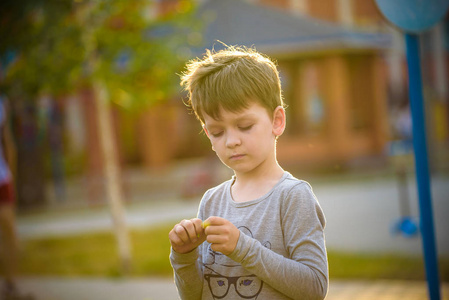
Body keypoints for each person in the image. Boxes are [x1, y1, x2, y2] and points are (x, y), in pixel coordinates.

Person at [169, 46, 328, 300]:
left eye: (244, 126)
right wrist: (183, 256)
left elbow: (314, 288)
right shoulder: (212, 201)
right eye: (218, 132)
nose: (231, 141)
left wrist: (241, 247)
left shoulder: (292, 197)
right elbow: (194, 296)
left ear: (277, 121)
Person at [0, 96, 34, 300]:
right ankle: (11, 286)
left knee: (10, 233)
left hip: (2, 178)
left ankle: (11, 286)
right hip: (3, 178)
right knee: (9, 233)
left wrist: (11, 175)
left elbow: (9, 143)